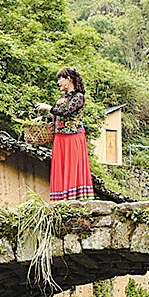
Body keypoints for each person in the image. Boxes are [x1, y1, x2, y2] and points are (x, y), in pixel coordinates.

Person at [44, 67, 93, 202]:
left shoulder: (78, 97)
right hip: (60, 137)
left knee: (72, 167)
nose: (59, 82)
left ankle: (74, 198)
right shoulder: (63, 98)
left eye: (61, 78)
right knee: (61, 168)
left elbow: (66, 111)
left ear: (69, 80)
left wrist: (49, 108)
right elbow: (58, 116)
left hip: (73, 136)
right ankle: (61, 199)